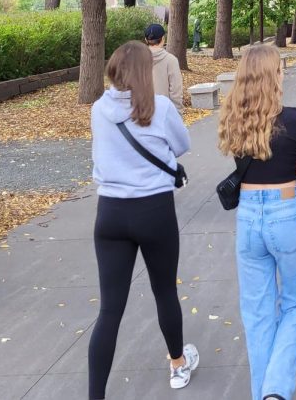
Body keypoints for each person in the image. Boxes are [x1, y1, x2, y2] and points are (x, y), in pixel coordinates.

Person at [218, 43, 296, 400]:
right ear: (275, 75)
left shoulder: (235, 119)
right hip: (285, 213)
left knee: (257, 312)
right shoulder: (294, 119)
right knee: (295, 302)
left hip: (248, 216)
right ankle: (277, 389)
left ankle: (262, 392)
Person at [88, 41, 198, 398]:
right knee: (164, 291)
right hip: (154, 210)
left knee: (109, 309)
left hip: (111, 214)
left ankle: (95, 395)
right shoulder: (160, 107)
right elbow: (182, 146)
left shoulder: (98, 110)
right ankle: (178, 364)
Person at [145, 23, 185, 110]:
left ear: (146, 40)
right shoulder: (171, 60)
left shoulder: (136, 60)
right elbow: (176, 90)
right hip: (164, 112)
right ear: (163, 39)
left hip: (142, 113)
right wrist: (177, 113)